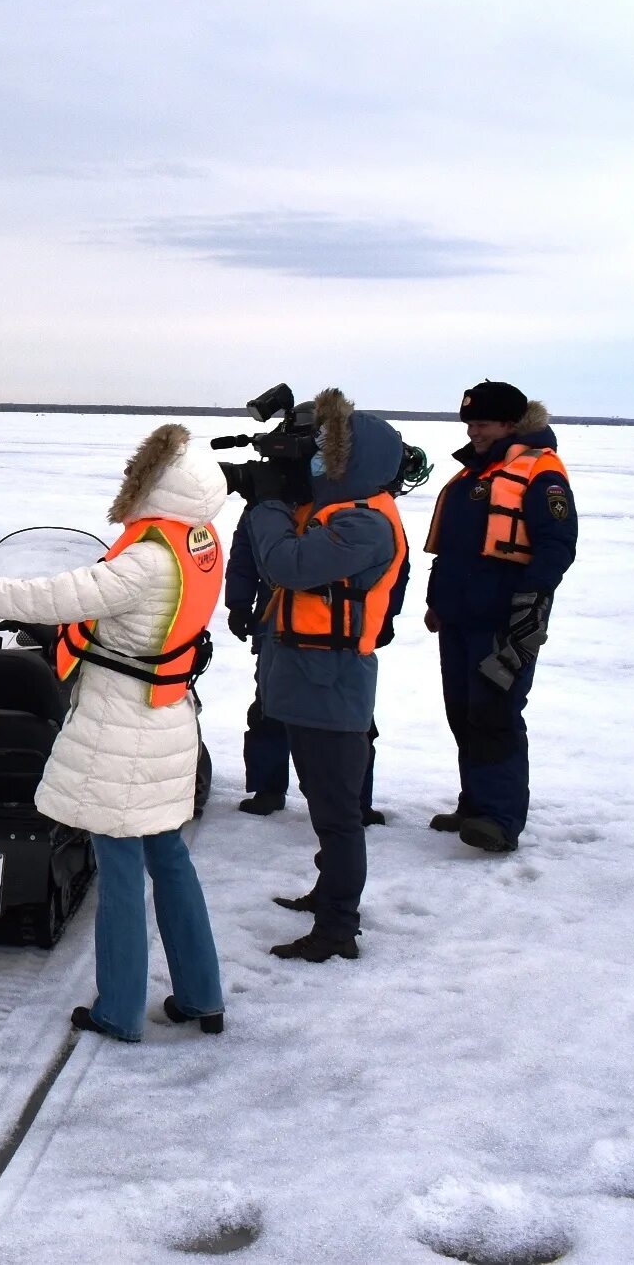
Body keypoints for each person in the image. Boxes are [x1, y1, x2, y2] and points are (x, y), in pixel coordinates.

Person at [0, 425, 228, 1041]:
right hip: (167, 717)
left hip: (123, 729)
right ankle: (203, 995)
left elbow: (54, 596)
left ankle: (119, 1010)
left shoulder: (145, 560)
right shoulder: (197, 544)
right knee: (169, 858)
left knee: (119, 866)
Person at [246, 389, 408, 963]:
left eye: (325, 455)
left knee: (339, 817)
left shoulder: (366, 525)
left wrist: (267, 506)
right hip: (311, 678)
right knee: (323, 804)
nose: (315, 464)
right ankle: (327, 895)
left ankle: (338, 928)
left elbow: (286, 564)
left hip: (332, 684)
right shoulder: (342, 512)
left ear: (352, 463)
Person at [422, 381, 577, 854]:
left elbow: (557, 546)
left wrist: (528, 607)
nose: (473, 431)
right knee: (463, 712)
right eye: (469, 423)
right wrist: (439, 602)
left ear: (511, 424)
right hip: (461, 617)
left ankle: (500, 819)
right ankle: (475, 803)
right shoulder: (478, 472)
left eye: (482, 424)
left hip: (505, 620)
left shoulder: (540, 473)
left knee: (496, 714)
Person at [226, 512, 385, 824]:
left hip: (341, 634)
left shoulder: (347, 502)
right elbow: (244, 553)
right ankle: (268, 788)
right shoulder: (266, 504)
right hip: (277, 626)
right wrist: (239, 603)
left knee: (349, 719)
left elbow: (391, 566)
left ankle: (355, 800)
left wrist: (384, 617)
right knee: (268, 709)